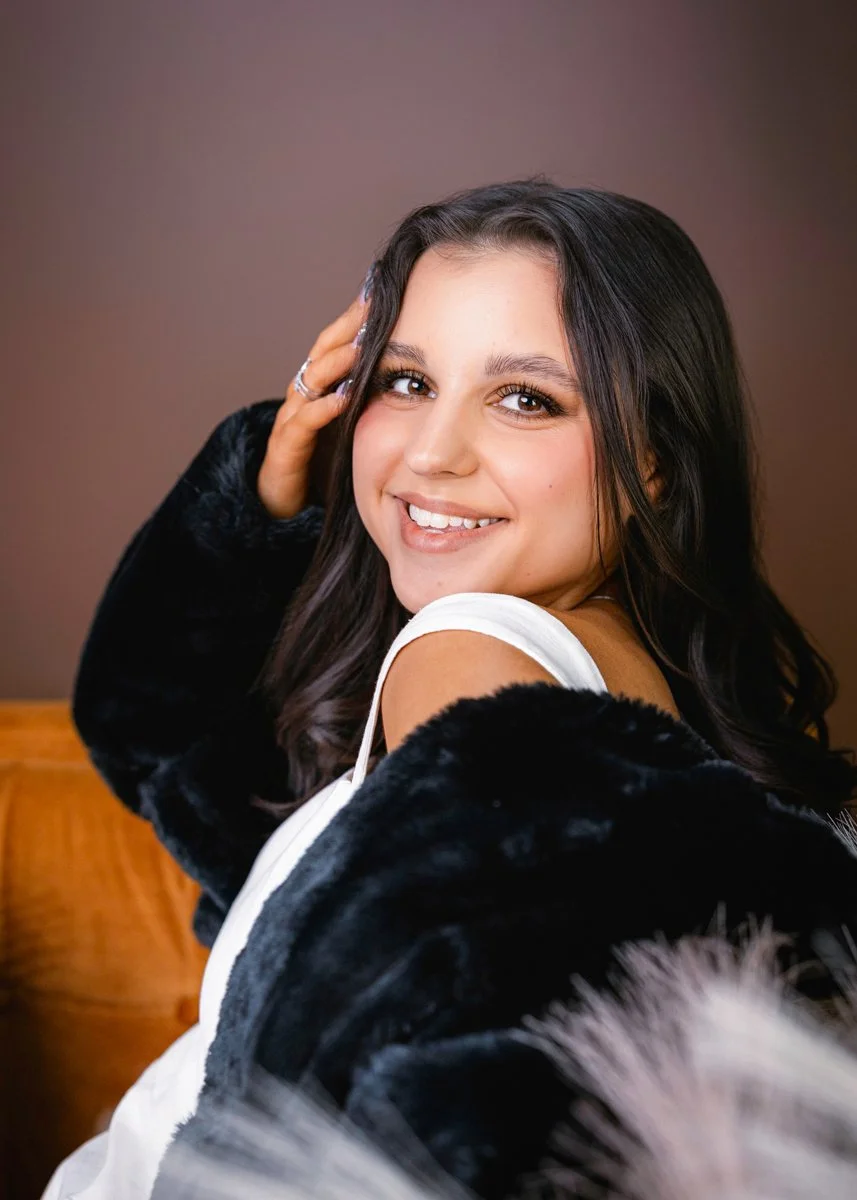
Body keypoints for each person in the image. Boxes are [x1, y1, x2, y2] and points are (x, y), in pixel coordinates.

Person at [44, 179, 857, 1200]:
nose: (431, 454)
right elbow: (166, 753)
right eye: (405, 382)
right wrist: (258, 499)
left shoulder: (466, 652)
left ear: (653, 462)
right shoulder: (619, 671)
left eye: (524, 398)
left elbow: (457, 1107)